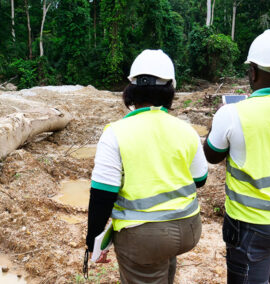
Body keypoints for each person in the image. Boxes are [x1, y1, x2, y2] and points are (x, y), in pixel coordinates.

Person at [85, 49, 208, 283]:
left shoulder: (115, 134)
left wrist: (93, 239)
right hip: (188, 228)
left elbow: (102, 194)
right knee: (163, 262)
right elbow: (200, 179)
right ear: (170, 89)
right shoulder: (185, 129)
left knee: (150, 264)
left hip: (143, 236)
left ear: (130, 89)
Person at [203, 29, 270, 284]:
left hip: (254, 223)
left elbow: (211, 155)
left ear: (252, 71)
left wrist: (217, 124)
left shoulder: (233, 113)